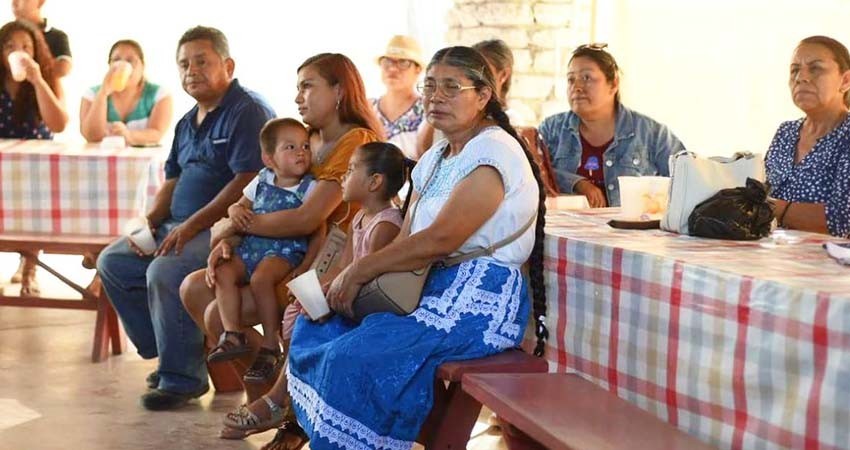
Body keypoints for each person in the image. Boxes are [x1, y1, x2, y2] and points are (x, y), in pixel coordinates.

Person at [281, 45, 549, 449]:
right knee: (319, 326)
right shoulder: (434, 157)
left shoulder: (494, 151)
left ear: (482, 96)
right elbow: (407, 237)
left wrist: (359, 272)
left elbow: (442, 238)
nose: (436, 97)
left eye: (451, 87)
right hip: (427, 288)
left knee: (352, 357)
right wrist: (346, 280)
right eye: (430, 86)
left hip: (477, 303)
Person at [178, 52, 382, 445]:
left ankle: (281, 406)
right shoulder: (306, 137)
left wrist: (237, 224)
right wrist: (225, 238)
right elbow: (257, 195)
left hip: (327, 260)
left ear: (339, 90)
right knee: (194, 288)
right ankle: (282, 396)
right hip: (273, 247)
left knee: (218, 316)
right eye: (297, 87)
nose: (298, 97)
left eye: (308, 86)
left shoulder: (356, 140)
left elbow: (307, 218)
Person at [96, 25, 275, 411]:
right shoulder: (186, 121)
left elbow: (248, 180)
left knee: (164, 271)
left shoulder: (247, 111)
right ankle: (169, 352)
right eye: (183, 64)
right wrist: (152, 218)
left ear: (227, 65)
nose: (191, 70)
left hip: (230, 231)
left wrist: (192, 225)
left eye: (201, 61)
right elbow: (172, 176)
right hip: (178, 224)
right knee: (113, 262)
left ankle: (183, 380)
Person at [206, 118, 318, 385]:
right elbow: (239, 206)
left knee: (261, 278)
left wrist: (307, 265)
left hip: (284, 249)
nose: (300, 152)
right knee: (223, 269)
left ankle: (270, 342)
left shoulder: (310, 186)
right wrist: (235, 211)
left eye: (304, 145)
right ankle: (233, 334)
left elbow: (318, 229)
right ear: (269, 159)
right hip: (252, 244)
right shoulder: (262, 179)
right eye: (290, 147)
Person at [538, 43, 684, 207]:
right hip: (565, 231)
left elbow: (685, 181)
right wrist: (577, 183)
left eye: (587, 78)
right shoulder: (550, 131)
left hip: (633, 232)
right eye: (571, 79)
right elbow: (534, 175)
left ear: (613, 84)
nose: (576, 87)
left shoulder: (652, 134)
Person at [0, 19, 68, 296]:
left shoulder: (46, 78)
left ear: (36, 51)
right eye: (10, 46)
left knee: (34, 201)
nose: (18, 51)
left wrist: (37, 80)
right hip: (4, 161)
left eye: (26, 46)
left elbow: (59, 124)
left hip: (37, 163)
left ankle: (30, 267)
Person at [766, 35, 850, 238]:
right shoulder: (785, 133)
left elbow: (842, 218)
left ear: (846, 80)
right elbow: (762, 190)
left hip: (832, 264)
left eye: (815, 69)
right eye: (794, 70)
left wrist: (773, 208)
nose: (800, 77)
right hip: (776, 259)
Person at [80, 39, 173, 146]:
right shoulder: (92, 94)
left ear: (142, 66)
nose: (122, 65)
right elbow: (92, 137)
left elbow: (157, 134)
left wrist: (128, 135)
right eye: (116, 60)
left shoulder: (159, 95)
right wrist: (103, 93)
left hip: (143, 161)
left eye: (130, 60)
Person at [370, 35, 424, 159]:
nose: (393, 68)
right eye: (387, 61)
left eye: (403, 62)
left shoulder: (428, 110)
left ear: (418, 69)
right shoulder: (368, 108)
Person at [11, 0, 71, 77]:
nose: (14, 3)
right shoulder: (5, 36)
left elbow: (63, 69)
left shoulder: (57, 36)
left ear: (40, 2)